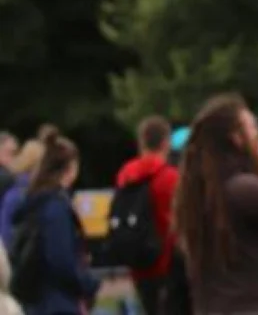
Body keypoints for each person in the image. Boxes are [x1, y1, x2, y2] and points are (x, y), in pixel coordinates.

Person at [172, 95, 258, 315]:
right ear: (237, 138)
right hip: (255, 306)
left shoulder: (197, 194)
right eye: (252, 128)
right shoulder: (245, 188)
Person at [5, 128, 98, 315]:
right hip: (58, 302)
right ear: (70, 167)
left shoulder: (31, 201)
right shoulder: (55, 206)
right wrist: (87, 284)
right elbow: (61, 260)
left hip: (36, 298)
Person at [112, 116, 180, 315]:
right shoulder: (170, 177)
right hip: (167, 263)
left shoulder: (125, 174)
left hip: (138, 261)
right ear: (166, 142)